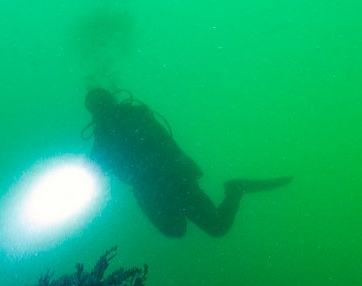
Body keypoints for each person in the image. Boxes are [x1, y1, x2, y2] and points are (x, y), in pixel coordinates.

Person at [84, 88, 291, 238]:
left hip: (173, 181)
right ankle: (234, 189)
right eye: (96, 107)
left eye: (100, 105)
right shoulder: (109, 130)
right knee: (179, 231)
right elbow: (98, 165)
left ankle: (235, 189)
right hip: (157, 186)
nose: (101, 110)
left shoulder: (130, 118)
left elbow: (154, 144)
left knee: (213, 228)